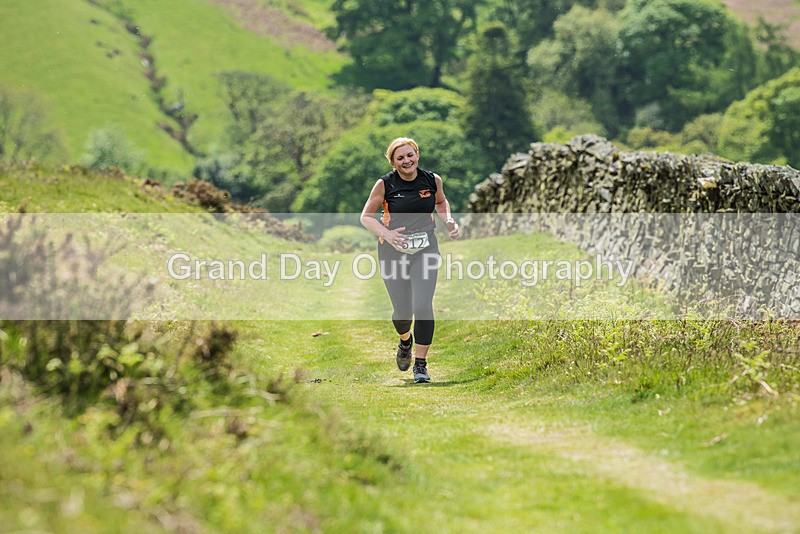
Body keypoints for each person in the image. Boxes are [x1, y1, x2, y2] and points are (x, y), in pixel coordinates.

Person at [360, 137, 459, 383]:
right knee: (402, 312)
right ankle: (405, 341)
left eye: (410, 155)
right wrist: (387, 234)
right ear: (393, 163)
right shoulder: (384, 184)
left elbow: (441, 201)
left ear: (417, 154)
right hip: (392, 252)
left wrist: (448, 220)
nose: (407, 161)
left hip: (425, 249)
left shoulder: (432, 180)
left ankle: (421, 365)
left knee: (423, 306)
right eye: (400, 158)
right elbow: (366, 217)